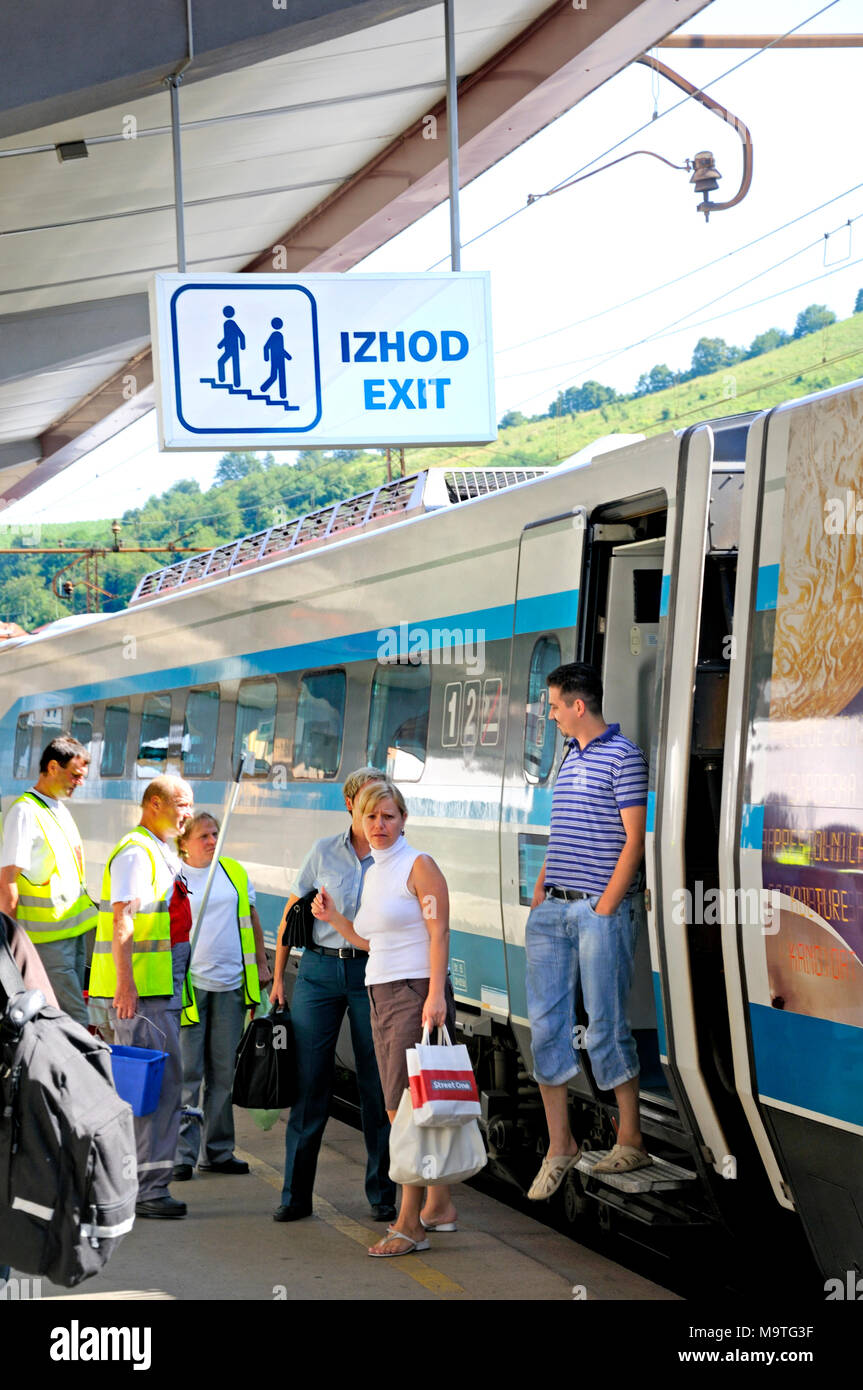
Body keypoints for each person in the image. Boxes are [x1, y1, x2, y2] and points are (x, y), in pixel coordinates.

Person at [313, 778, 458, 1257]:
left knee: (404, 1112)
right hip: (381, 992)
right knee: (412, 1107)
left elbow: (439, 936)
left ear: (404, 819)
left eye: (388, 817)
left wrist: (435, 996)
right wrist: (335, 921)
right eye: (371, 817)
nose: (378, 825)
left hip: (413, 994)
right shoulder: (376, 870)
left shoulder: (419, 866)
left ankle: (409, 1223)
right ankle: (438, 1206)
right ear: (359, 819)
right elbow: (374, 942)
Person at [524, 662, 649, 1200]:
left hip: (598, 912)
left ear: (578, 706)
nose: (551, 715)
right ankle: (561, 1146)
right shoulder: (570, 756)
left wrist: (604, 907)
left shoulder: (625, 757)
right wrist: (543, 886)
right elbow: (564, 831)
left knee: (606, 1024)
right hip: (554, 908)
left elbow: (634, 841)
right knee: (546, 1027)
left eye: (554, 706)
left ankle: (631, 1137)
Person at [270, 767, 397, 1225]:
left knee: (377, 1084)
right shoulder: (324, 851)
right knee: (309, 1084)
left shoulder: (394, 857)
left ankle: (383, 1194)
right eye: (367, 804)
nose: (375, 815)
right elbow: (291, 911)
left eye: (383, 807)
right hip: (320, 971)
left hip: (373, 973)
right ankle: (295, 1195)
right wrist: (279, 977)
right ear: (350, 806)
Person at [88, 775, 195, 1220]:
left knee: (160, 1089)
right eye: (181, 805)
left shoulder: (157, 848)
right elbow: (123, 922)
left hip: (159, 989)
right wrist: (126, 986)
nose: (187, 813)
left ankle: (142, 1183)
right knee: (155, 1091)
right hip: (146, 995)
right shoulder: (136, 852)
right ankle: (148, 1188)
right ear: (154, 804)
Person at [173, 812, 272, 1179]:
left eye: (215, 833)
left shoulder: (232, 872)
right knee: (188, 1073)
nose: (213, 840)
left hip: (230, 986)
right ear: (184, 842)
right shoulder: (174, 876)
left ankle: (217, 1151)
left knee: (222, 1074)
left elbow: (250, 916)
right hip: (190, 989)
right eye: (204, 836)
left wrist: (261, 963)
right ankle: (183, 1154)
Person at [0, 735, 95, 1027]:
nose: (80, 782)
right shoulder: (25, 811)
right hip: (46, 939)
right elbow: (8, 881)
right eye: (75, 775)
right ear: (53, 767)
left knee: (67, 1012)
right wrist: (5, 943)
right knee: (71, 1015)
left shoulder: (57, 808)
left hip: (71, 932)